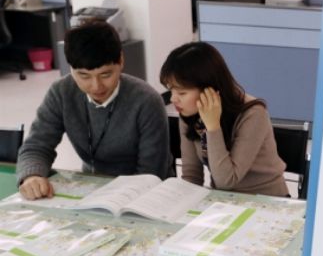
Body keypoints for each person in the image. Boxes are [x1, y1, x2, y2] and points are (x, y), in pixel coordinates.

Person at [17, 20, 172, 200]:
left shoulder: (146, 101)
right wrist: (32, 176)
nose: (96, 86)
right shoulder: (61, 92)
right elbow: (36, 146)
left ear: (121, 61)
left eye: (106, 74)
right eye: (84, 76)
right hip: (92, 188)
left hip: (142, 194)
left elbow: (150, 173)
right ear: (71, 68)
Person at [160, 42, 288, 197]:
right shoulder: (189, 112)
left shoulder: (253, 113)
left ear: (209, 89)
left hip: (266, 200)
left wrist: (213, 126)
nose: (173, 99)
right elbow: (192, 175)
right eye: (171, 90)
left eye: (182, 93)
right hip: (223, 201)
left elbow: (226, 181)